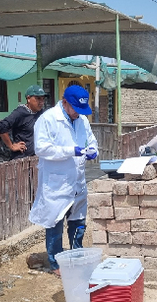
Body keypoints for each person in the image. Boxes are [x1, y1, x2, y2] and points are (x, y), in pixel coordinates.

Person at [28, 85, 98, 276]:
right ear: (65, 102)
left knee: (78, 222)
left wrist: (93, 150)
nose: (78, 114)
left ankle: (76, 256)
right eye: (76, 109)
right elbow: (41, 149)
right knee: (55, 223)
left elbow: (91, 140)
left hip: (77, 180)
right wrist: (70, 151)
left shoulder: (82, 119)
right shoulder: (48, 119)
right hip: (56, 183)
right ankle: (55, 262)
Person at [0, 85, 47, 159]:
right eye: (38, 98)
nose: (41, 102)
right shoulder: (20, 113)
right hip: (22, 160)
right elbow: (2, 126)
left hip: (37, 158)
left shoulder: (42, 113)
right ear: (28, 99)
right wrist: (11, 146)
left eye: (43, 99)